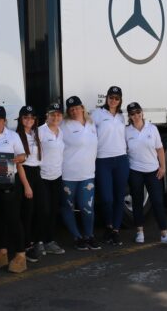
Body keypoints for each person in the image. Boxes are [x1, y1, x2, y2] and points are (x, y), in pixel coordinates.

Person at [125, 102, 167, 245]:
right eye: (132, 114)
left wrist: (163, 167)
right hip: (135, 171)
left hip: (153, 171)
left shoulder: (152, 128)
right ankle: (139, 232)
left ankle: (164, 234)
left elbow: (159, 149)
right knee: (137, 201)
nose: (136, 116)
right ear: (129, 116)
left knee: (157, 201)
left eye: (138, 112)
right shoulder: (126, 131)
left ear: (142, 112)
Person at [0, 105, 29, 273]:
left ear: (5, 121)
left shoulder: (12, 136)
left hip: (10, 182)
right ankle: (2, 251)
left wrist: (13, 161)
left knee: (13, 218)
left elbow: (23, 156)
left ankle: (20, 254)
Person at [60, 96, 101, 251]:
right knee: (67, 206)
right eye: (71, 109)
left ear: (82, 108)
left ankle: (89, 235)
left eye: (77, 108)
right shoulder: (64, 125)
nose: (74, 111)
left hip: (88, 174)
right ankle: (77, 237)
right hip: (68, 174)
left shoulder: (91, 124)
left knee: (87, 207)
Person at [92, 86, 130, 246]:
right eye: (111, 97)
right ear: (106, 98)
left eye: (116, 98)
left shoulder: (122, 116)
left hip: (121, 160)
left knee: (119, 197)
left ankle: (115, 231)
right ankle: (108, 226)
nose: (113, 100)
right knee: (106, 198)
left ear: (120, 100)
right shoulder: (97, 114)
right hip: (103, 160)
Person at [16, 105, 46, 262]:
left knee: (40, 209)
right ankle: (26, 245)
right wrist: (26, 185)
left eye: (32, 117)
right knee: (27, 212)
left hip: (36, 173)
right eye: (26, 117)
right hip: (25, 174)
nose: (29, 120)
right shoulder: (17, 136)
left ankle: (36, 240)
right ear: (21, 119)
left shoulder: (35, 133)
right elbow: (18, 164)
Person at [35, 103, 66, 255]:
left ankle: (50, 241)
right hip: (42, 177)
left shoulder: (61, 132)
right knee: (43, 210)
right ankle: (39, 241)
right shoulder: (40, 131)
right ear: (47, 116)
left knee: (53, 210)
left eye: (58, 114)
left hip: (57, 176)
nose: (56, 117)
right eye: (52, 114)